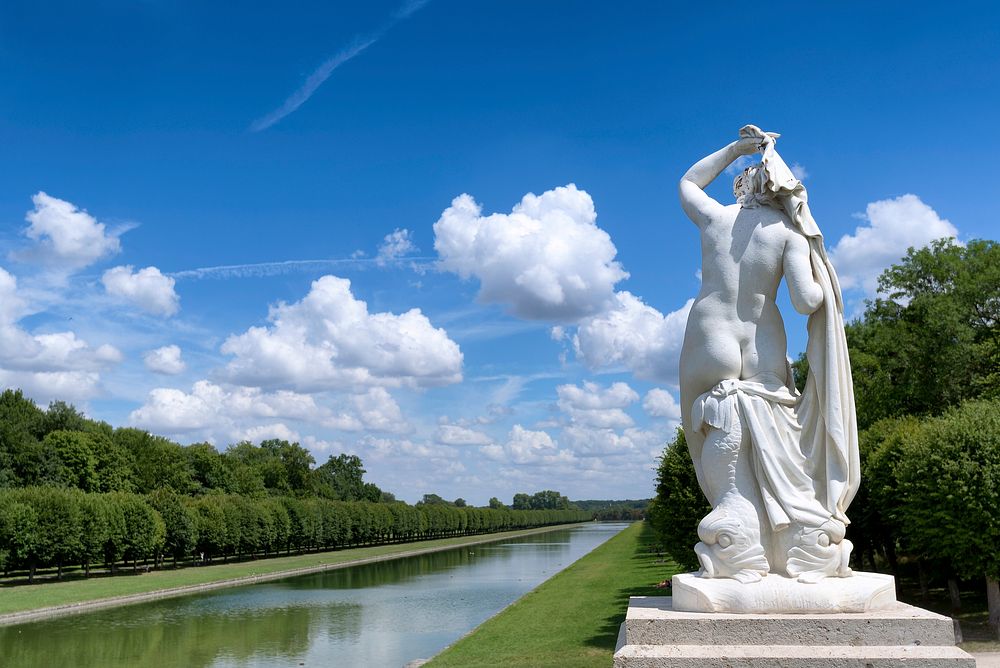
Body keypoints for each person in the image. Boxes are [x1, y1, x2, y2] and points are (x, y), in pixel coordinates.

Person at [678, 126, 859, 583]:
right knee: (775, 436)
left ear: (743, 187)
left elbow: (687, 183)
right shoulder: (790, 235)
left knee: (712, 432)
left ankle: (737, 530)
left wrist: (736, 149)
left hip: (710, 336)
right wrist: (824, 281)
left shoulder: (717, 219)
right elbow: (805, 301)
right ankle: (793, 531)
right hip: (764, 347)